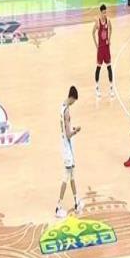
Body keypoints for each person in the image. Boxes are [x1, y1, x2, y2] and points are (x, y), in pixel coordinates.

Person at [56, 86, 84, 218]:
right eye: (74, 101)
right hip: (67, 148)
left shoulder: (62, 106)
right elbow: (68, 134)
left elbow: (64, 128)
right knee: (66, 177)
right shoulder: (66, 112)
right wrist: (76, 131)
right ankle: (58, 206)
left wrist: (71, 129)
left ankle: (76, 202)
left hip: (65, 145)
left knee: (72, 176)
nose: (73, 103)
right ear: (72, 97)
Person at [92, 5, 114, 98]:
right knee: (98, 68)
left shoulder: (108, 20)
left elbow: (111, 29)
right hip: (100, 48)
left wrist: (109, 38)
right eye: (103, 13)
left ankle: (111, 88)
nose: (105, 14)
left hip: (106, 48)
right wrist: (96, 45)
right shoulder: (98, 22)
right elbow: (92, 33)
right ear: (100, 13)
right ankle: (97, 88)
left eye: (106, 12)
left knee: (109, 67)